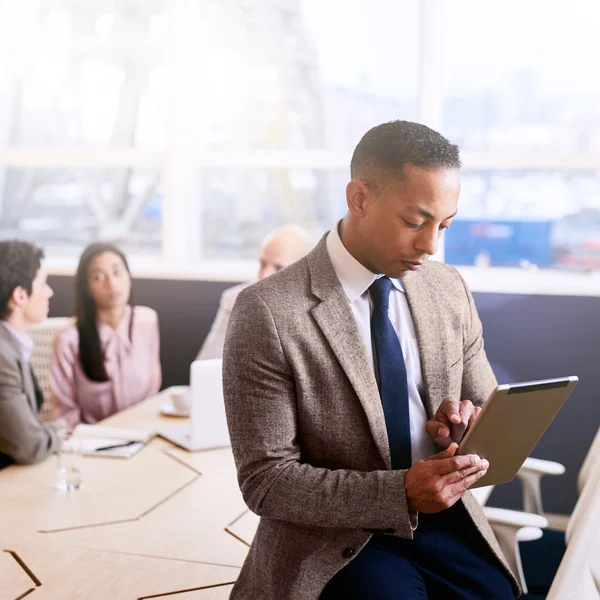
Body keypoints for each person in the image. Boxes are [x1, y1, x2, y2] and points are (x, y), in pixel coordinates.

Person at [223, 121, 519, 599]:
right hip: (337, 540)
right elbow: (266, 482)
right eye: (415, 221)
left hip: (445, 520)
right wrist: (400, 492)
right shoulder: (268, 311)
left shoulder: (448, 289)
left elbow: (484, 405)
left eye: (444, 225)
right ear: (359, 198)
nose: (431, 245)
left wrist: (467, 429)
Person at [50, 243, 161, 429]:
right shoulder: (68, 339)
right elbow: (64, 414)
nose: (112, 284)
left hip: (142, 435)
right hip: (91, 443)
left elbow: (152, 393)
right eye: (99, 277)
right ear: (86, 287)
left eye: (117, 272)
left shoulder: (147, 321)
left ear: (129, 277)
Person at [197, 224, 310, 360]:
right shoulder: (236, 300)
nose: (264, 275)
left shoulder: (319, 309)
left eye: (278, 267)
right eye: (262, 264)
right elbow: (206, 366)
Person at [0, 240, 60, 468]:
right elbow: (30, 446)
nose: (50, 292)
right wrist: (58, 431)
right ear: (20, 296)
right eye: (43, 284)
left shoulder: (11, 344)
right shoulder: (2, 357)